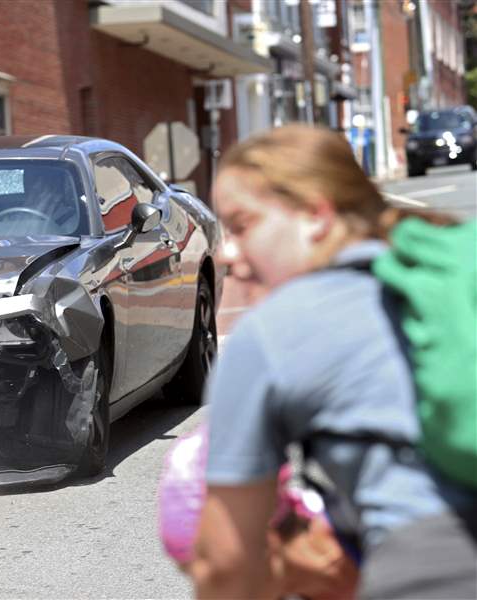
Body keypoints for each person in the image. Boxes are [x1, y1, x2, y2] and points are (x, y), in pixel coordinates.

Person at [187, 125, 476, 599]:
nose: (229, 255)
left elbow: (227, 563)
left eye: (242, 226)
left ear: (315, 215)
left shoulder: (272, 334)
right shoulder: (451, 271)